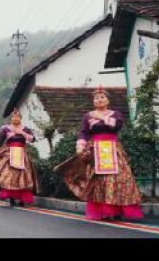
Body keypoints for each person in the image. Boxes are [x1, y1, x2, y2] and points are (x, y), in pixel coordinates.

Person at [54, 86, 143, 221]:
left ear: (108, 100)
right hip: (95, 151)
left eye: (102, 97)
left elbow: (118, 126)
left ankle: (117, 208)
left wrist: (101, 117)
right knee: (99, 181)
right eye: (96, 98)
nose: (99, 100)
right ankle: (104, 210)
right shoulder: (88, 116)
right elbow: (83, 132)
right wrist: (80, 146)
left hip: (113, 150)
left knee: (120, 179)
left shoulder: (115, 114)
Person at [0, 109, 39, 207]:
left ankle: (22, 199)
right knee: (10, 176)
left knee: (23, 177)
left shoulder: (25, 129)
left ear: (20, 118)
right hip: (10, 154)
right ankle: (12, 198)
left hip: (22, 155)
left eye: (18, 117)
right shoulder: (6, 129)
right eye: (14, 117)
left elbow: (33, 139)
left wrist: (23, 134)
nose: (16, 118)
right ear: (11, 118)